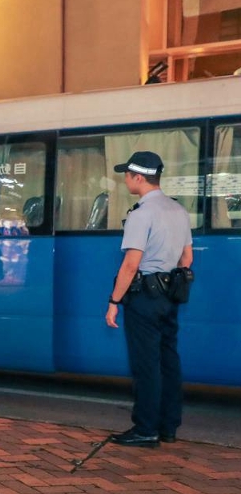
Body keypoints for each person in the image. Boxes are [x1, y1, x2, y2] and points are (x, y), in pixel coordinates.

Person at [105, 151, 193, 447]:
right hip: (169, 296)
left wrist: (114, 301)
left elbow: (131, 264)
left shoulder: (141, 214)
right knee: (169, 361)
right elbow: (187, 258)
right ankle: (168, 427)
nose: (125, 180)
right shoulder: (178, 211)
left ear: (138, 177)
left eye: (127, 175)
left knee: (146, 364)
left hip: (143, 297)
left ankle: (145, 430)